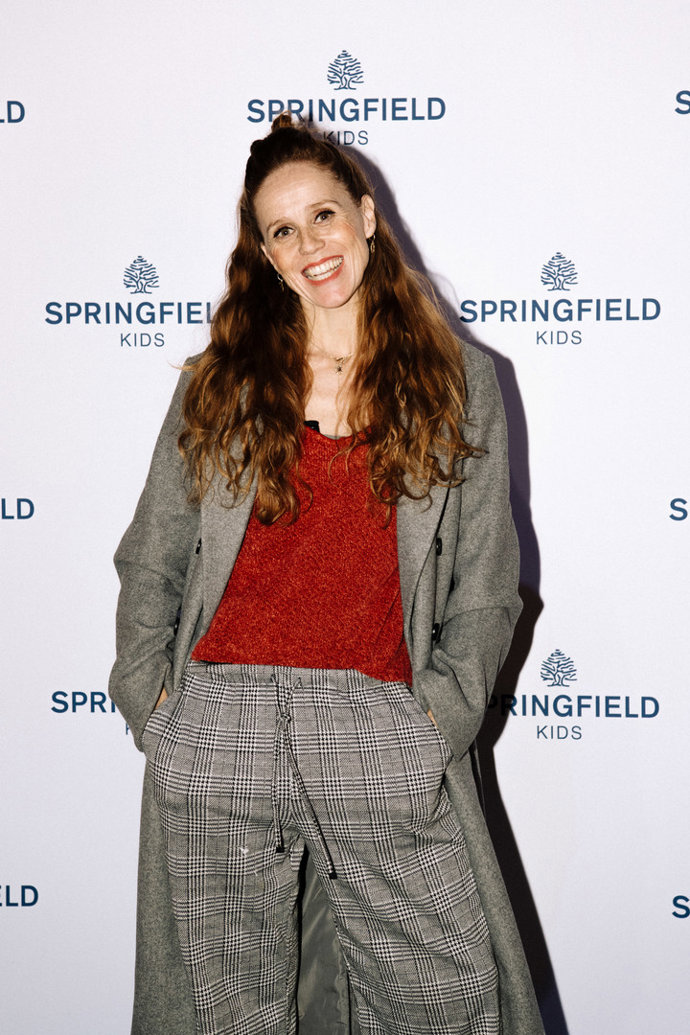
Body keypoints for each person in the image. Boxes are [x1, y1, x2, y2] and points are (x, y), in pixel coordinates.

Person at [109, 114, 545, 1035]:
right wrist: (155, 706)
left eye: (323, 215)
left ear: (367, 216)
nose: (310, 245)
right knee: (226, 1015)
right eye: (283, 229)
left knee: (444, 1004)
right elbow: (152, 553)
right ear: (265, 255)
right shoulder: (219, 382)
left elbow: (485, 587)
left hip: (380, 722)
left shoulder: (461, 382)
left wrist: (438, 721)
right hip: (222, 719)